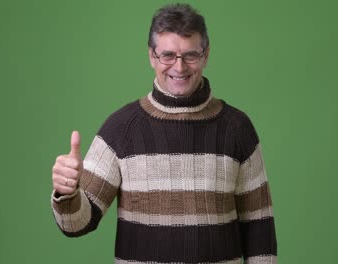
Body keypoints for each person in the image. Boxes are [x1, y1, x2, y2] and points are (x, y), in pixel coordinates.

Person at [51, 3, 277, 264]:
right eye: (167, 55)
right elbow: (76, 224)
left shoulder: (237, 129)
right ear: (151, 56)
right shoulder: (121, 129)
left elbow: (260, 231)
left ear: (205, 55)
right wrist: (66, 193)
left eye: (190, 55)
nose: (179, 68)